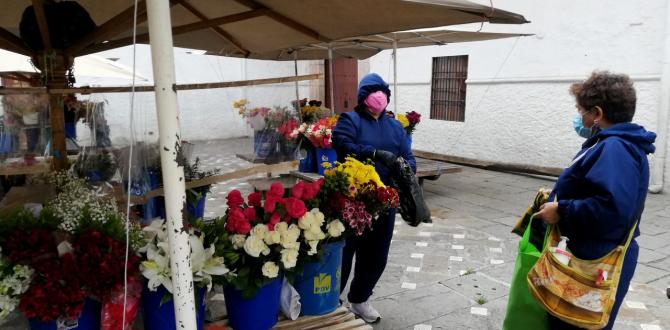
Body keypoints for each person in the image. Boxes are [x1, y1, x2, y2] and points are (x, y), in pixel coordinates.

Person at [534, 71, 656, 330]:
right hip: (592, 250)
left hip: (596, 256)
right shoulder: (615, 143)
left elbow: (611, 208)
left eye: (582, 111)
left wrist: (561, 209)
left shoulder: (615, 148)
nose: (580, 117)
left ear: (597, 114)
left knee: (576, 324)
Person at [332, 73, 416, 323]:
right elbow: (342, 145)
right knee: (345, 253)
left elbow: (407, 155)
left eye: (383, 91)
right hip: (353, 202)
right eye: (373, 91)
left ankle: (359, 299)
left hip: (385, 201)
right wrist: (375, 154)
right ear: (363, 97)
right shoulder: (350, 120)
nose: (380, 95)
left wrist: (407, 168)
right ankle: (332, 300)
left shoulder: (395, 127)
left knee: (376, 255)